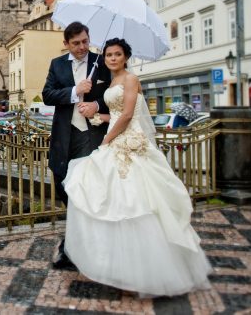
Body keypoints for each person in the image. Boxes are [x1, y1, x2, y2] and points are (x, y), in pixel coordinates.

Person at [62, 38, 211, 297]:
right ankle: (117, 267)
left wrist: (106, 140)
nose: (112, 58)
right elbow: (115, 115)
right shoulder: (111, 82)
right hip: (117, 137)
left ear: (126, 57)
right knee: (109, 199)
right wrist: (95, 114)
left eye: (117, 54)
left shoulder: (130, 79)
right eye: (109, 55)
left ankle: (144, 272)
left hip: (128, 142)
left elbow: (129, 115)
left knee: (134, 202)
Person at [41, 21, 111, 270]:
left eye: (85, 41)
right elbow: (47, 95)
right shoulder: (57, 64)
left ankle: (73, 247)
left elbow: (114, 95)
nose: (82, 47)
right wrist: (74, 91)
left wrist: (96, 105)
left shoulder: (101, 62)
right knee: (62, 182)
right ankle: (79, 237)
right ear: (66, 44)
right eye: (76, 43)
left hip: (90, 136)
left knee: (83, 188)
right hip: (64, 135)